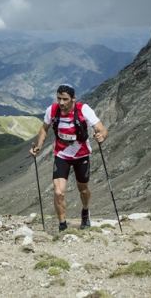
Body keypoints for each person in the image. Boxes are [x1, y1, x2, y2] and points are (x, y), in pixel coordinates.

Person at [29, 84, 108, 231]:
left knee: (83, 190)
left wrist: (100, 136)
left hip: (81, 155)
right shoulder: (52, 110)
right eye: (59, 98)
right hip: (61, 155)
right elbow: (43, 130)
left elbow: (102, 129)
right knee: (58, 192)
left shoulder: (83, 110)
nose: (61, 103)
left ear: (73, 99)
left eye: (65, 99)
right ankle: (62, 225)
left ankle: (85, 211)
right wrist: (38, 146)